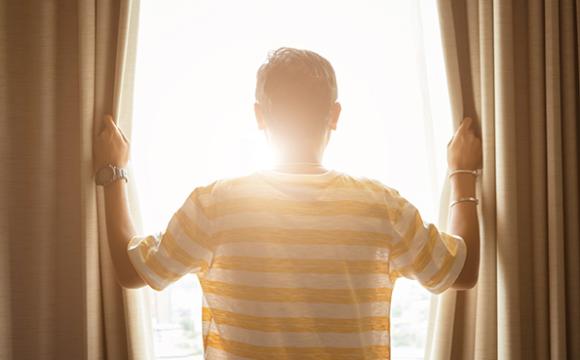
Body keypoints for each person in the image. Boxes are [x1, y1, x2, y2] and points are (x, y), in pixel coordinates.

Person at [93, 47, 482, 359]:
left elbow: (132, 270)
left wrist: (114, 171)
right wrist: (462, 172)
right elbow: (461, 271)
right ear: (334, 115)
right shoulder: (382, 207)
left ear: (259, 115)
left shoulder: (215, 205)